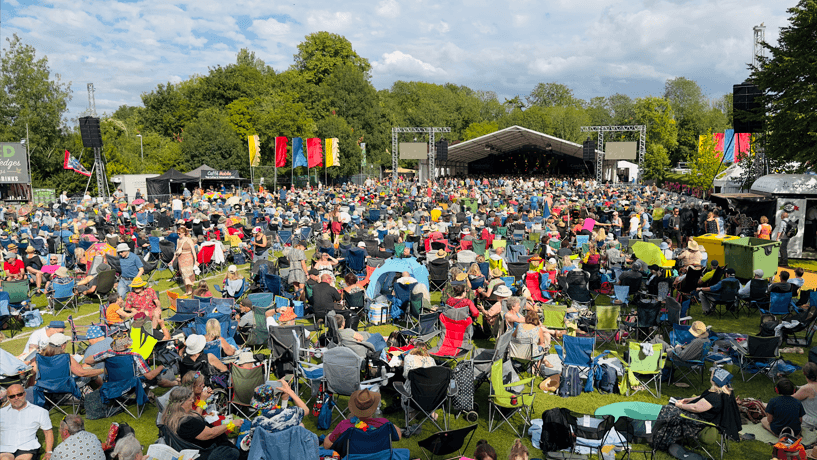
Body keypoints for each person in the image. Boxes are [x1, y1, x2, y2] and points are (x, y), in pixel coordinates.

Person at [652, 368, 735, 451]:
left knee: (669, 410)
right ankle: (658, 430)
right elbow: (703, 396)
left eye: (712, 375)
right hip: (703, 415)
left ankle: (660, 439)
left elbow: (695, 408)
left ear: (715, 379)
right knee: (675, 401)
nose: (710, 376)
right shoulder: (720, 391)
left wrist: (680, 406)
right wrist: (688, 399)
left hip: (701, 422)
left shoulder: (716, 397)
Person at [161, 386, 244, 460]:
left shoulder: (172, 416)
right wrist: (231, 424)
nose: (193, 400)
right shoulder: (186, 422)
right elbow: (211, 434)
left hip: (199, 447)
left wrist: (203, 400)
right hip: (208, 451)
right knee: (235, 453)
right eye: (190, 399)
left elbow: (197, 415)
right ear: (182, 403)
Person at [323, 389, 401, 453]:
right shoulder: (384, 424)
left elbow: (327, 446)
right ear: (373, 409)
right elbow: (398, 436)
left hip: (352, 458)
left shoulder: (344, 425)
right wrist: (390, 424)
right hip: (378, 457)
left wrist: (330, 435)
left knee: (329, 437)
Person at [86, 336, 175, 388]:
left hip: (113, 384)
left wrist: (102, 360)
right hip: (131, 385)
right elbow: (149, 376)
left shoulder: (107, 353)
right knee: (155, 378)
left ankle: (150, 396)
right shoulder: (135, 355)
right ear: (126, 345)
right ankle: (175, 383)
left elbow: (87, 360)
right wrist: (161, 367)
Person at [0, 384, 54, 460]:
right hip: (5, 448)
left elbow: (48, 432)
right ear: (8, 398)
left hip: (27, 447)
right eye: (12, 396)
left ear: (25, 394)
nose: (16, 398)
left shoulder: (40, 411)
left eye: (19, 394)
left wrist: (49, 452)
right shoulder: (2, 413)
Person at [173, 226, 198, 295]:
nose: (178, 235)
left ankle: (189, 289)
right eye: (177, 233)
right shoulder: (178, 240)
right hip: (181, 258)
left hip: (188, 258)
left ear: (183, 233)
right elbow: (177, 251)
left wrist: (195, 260)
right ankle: (188, 289)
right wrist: (172, 260)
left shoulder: (189, 240)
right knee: (184, 274)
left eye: (179, 233)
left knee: (188, 274)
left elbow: (193, 251)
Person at [793, 363, 817, 431]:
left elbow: (789, 399)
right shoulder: (806, 388)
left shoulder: (806, 389)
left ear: (804, 373)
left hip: (810, 421)